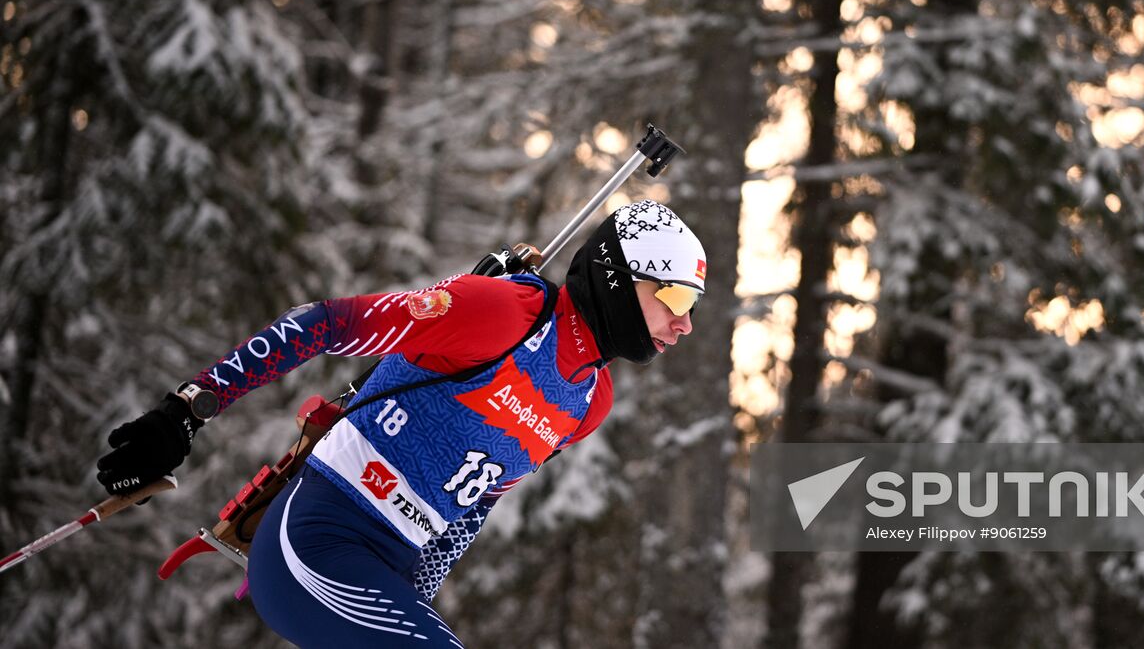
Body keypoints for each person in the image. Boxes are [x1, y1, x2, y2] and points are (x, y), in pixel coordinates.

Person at [95, 199, 707, 647]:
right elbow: (323, 323)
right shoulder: (501, 312)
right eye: (675, 300)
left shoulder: (588, 401)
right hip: (315, 539)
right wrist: (185, 412)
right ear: (617, 277)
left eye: (692, 309)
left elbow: (477, 499)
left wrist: (415, 593)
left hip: (382, 573)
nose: (683, 324)